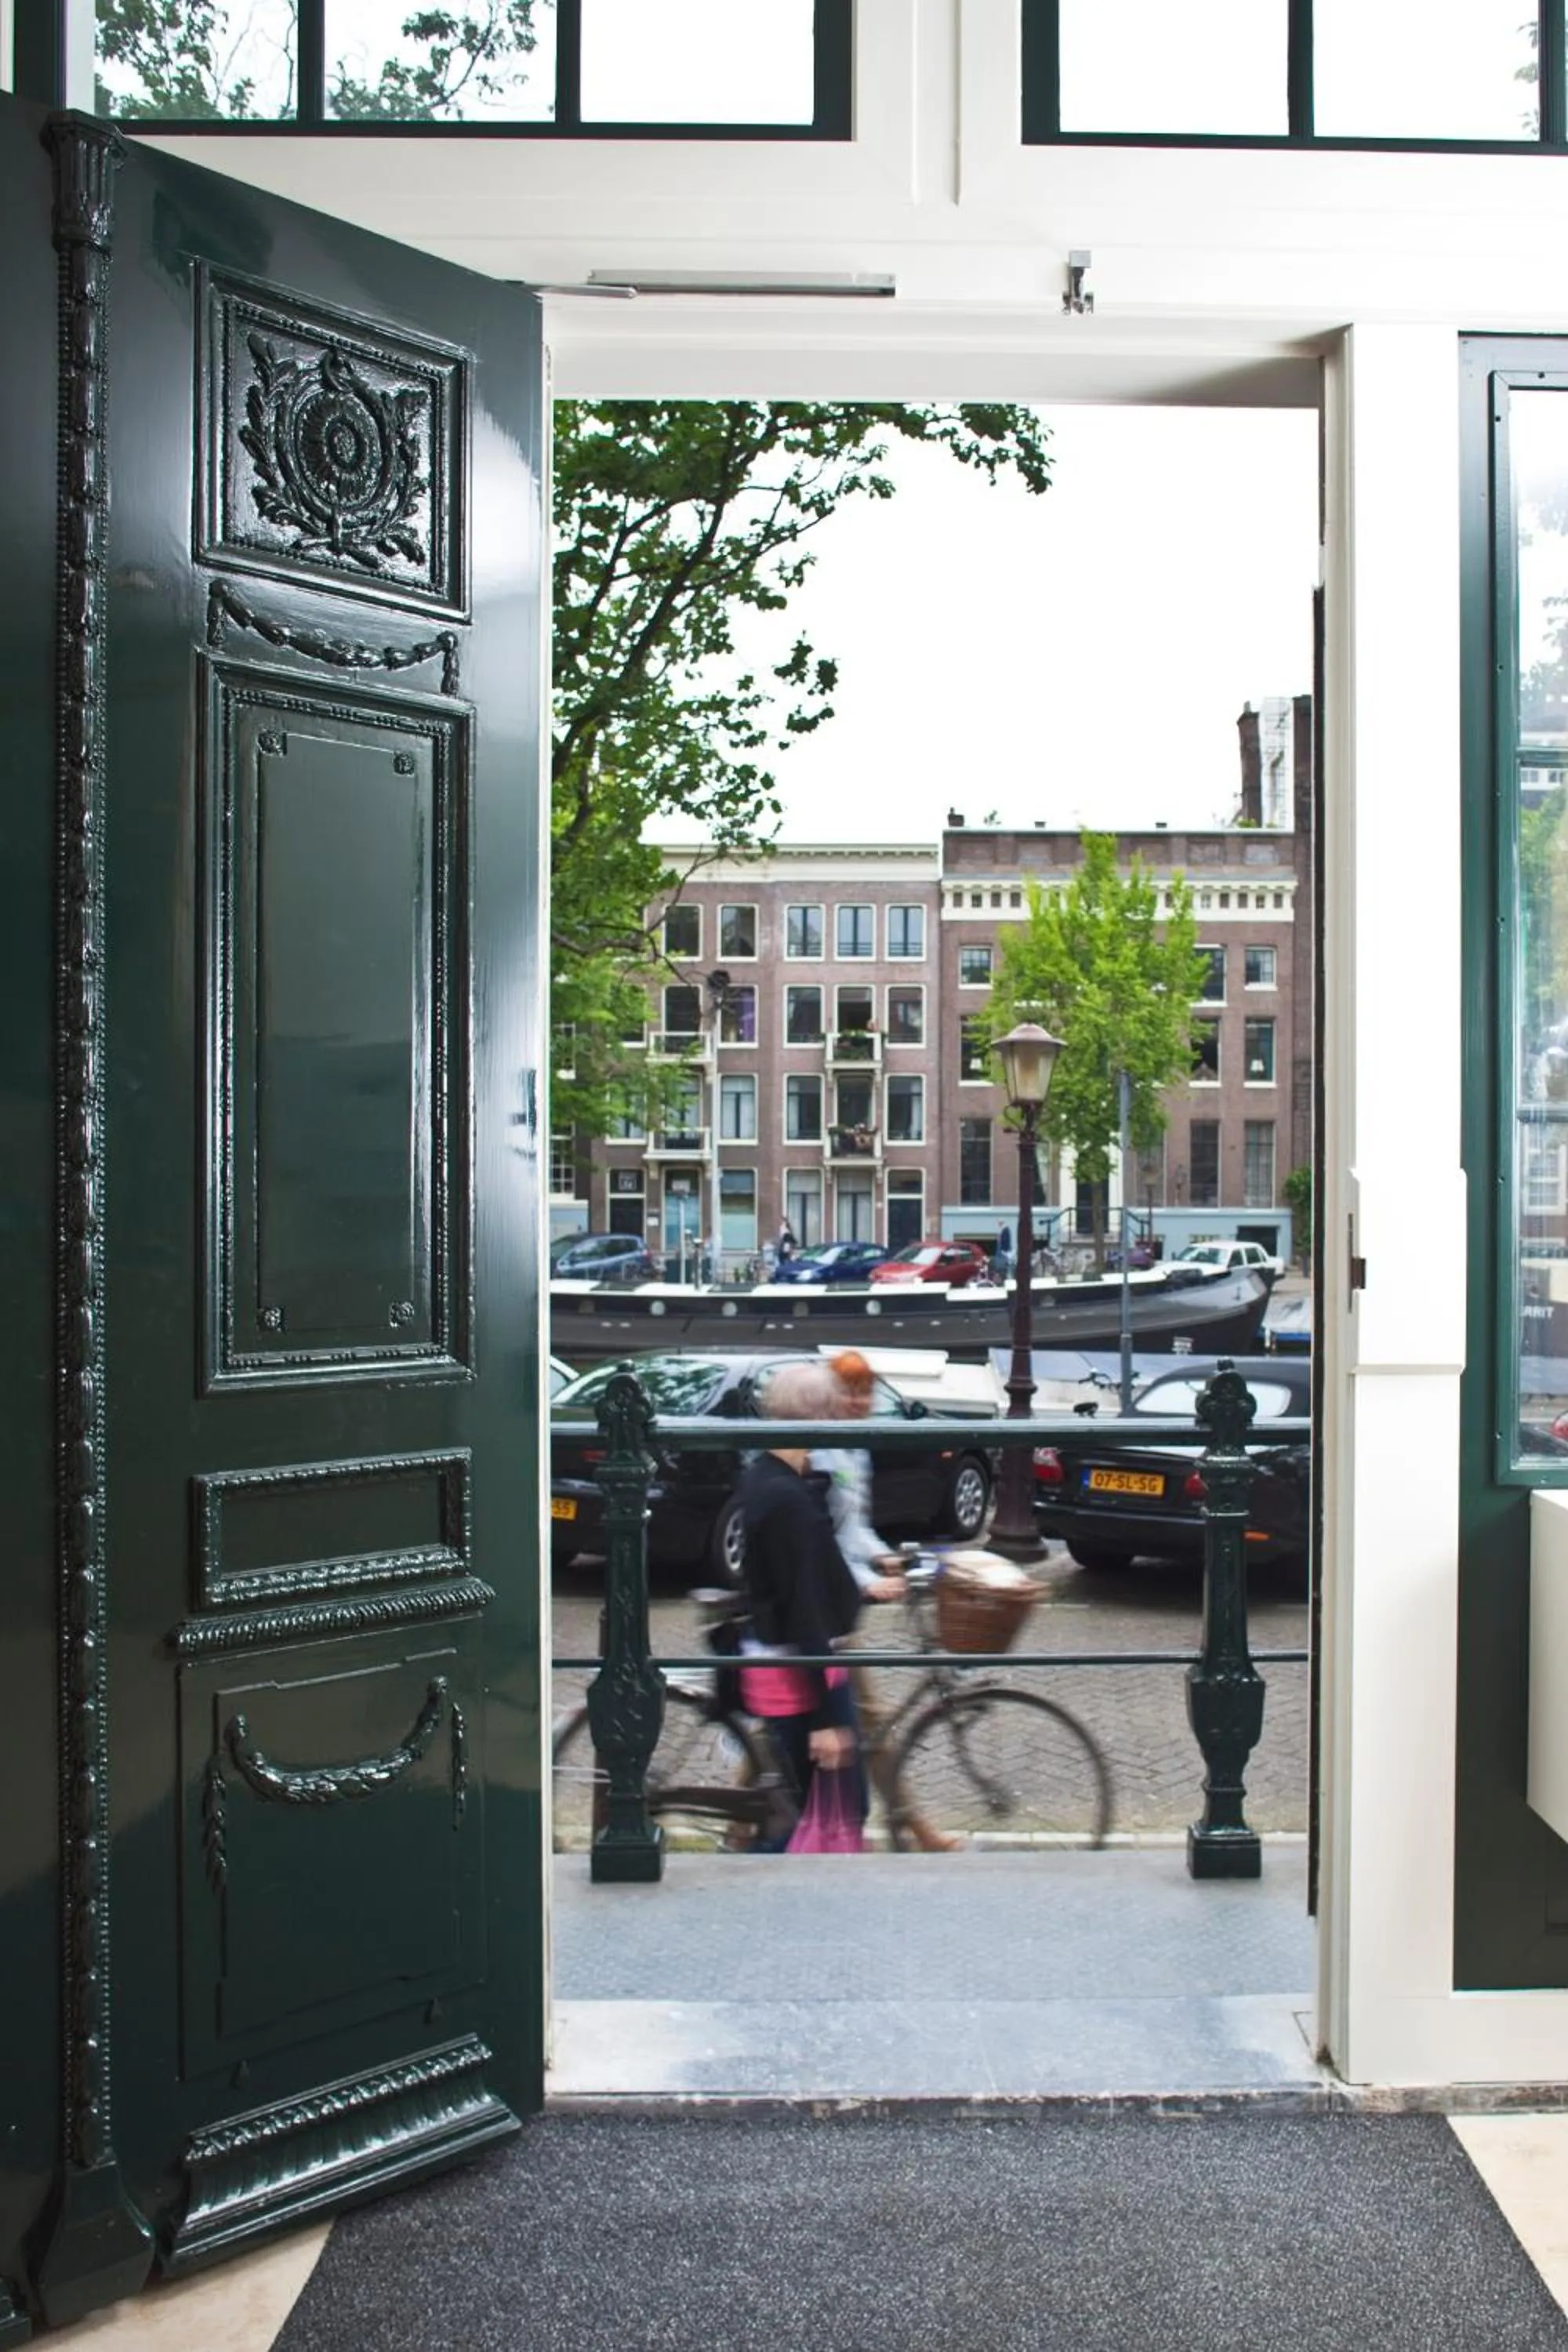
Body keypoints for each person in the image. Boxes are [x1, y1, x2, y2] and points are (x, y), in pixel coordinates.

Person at [814, 1350, 962, 1853]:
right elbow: (819, 1537)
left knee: (845, 1719)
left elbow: (854, 1529)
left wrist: (888, 1559)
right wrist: (864, 1580)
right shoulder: (821, 1452)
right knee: (861, 1718)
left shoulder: (853, 1449)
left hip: (837, 1604)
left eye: (864, 1393)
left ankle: (745, 1819)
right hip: (819, 1606)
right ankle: (917, 1829)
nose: (859, 1403)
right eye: (849, 1392)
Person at [738, 1359, 866, 1845]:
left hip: (785, 1665)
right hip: (802, 1679)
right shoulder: (787, 1501)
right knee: (821, 1810)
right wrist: (828, 1720)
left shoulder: (766, 1478)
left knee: (803, 1806)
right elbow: (806, 1608)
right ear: (816, 1418)